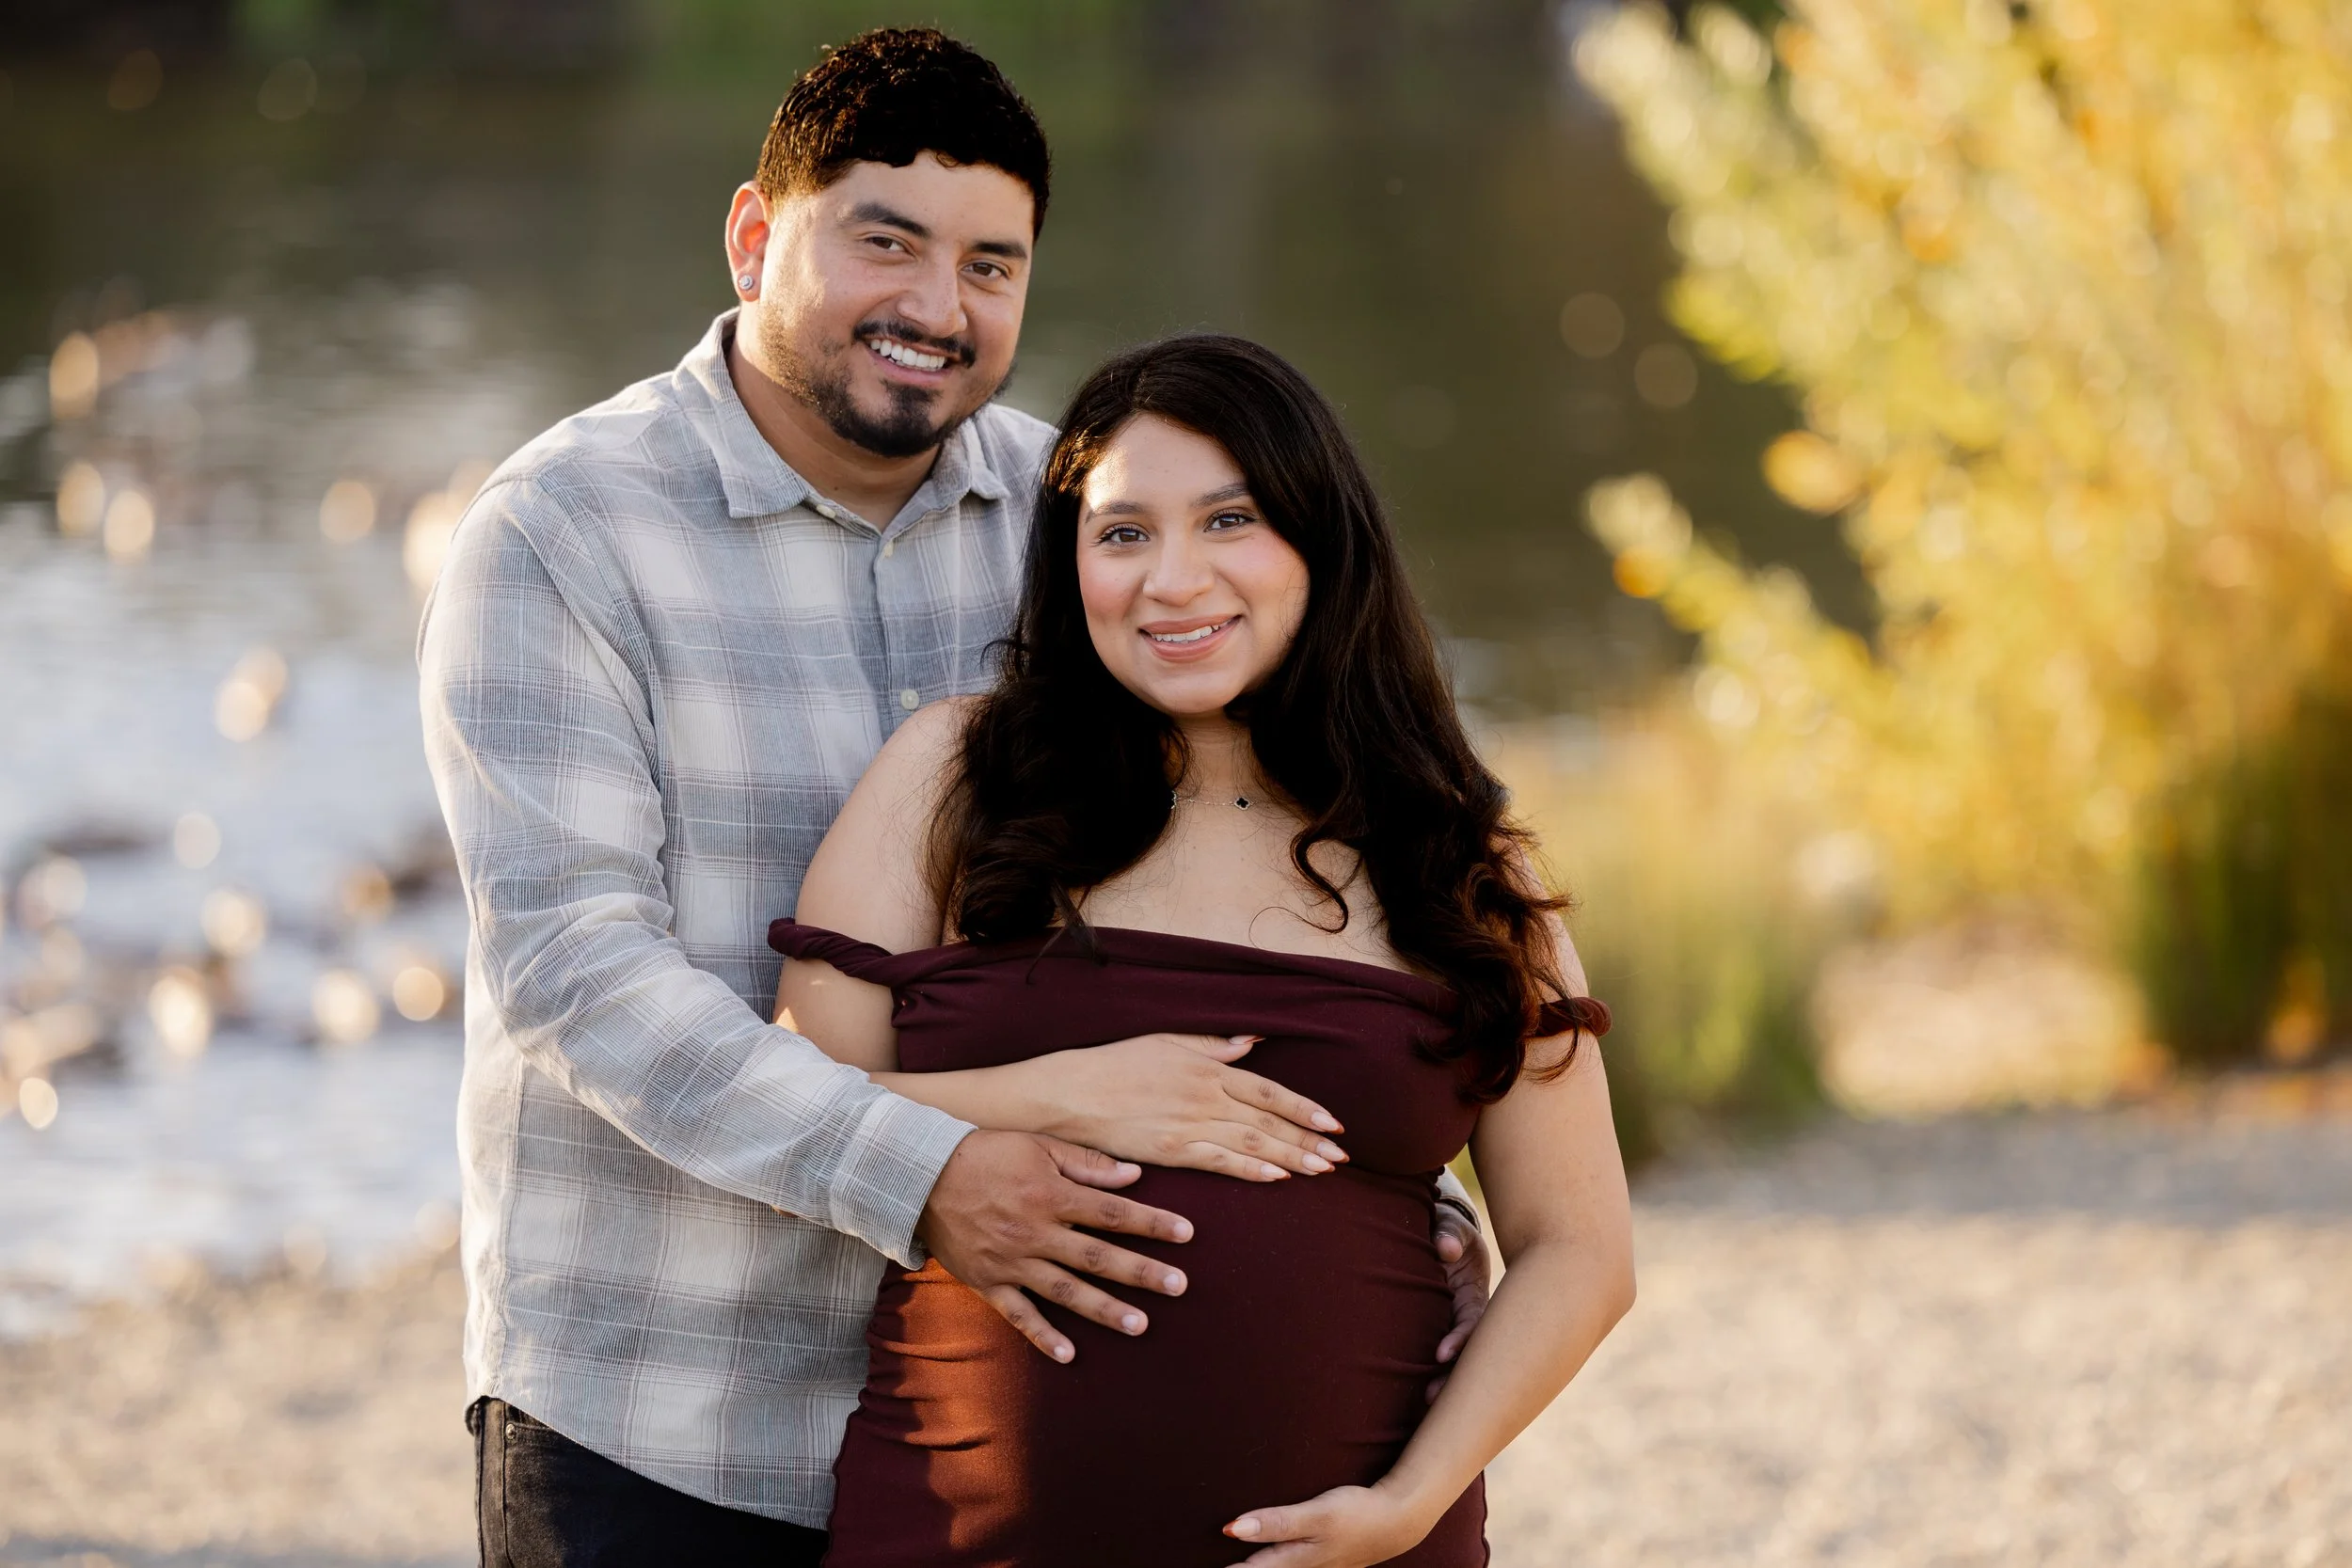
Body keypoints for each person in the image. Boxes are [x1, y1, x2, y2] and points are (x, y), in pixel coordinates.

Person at [419, 29, 1493, 1567]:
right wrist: (929, 1172)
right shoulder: (562, 534)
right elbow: (578, 981)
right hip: (666, 1410)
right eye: (887, 243)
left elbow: (1243, 865)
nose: (938, 306)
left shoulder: (1090, 524)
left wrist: (1392, 1178)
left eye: (992, 264)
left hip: (979, 1435)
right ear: (753, 238)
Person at [771, 335, 1636, 1568]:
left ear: (1321, 541)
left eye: (1230, 520)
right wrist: (1055, 1093)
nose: (1173, 581)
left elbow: (1581, 1249)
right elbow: (784, 1106)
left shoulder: (1454, 848)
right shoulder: (955, 777)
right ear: (1070, 564)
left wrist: (1407, 1503)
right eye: (1123, 533)